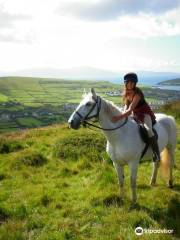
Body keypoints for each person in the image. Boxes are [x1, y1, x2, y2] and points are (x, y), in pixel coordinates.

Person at [112, 72, 160, 162]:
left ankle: (156, 154)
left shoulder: (137, 94)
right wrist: (122, 114)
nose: (130, 84)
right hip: (135, 115)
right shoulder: (126, 93)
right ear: (125, 83)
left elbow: (130, 110)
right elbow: (126, 107)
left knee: (149, 130)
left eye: (132, 83)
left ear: (135, 83)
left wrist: (118, 117)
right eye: (128, 82)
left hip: (145, 114)